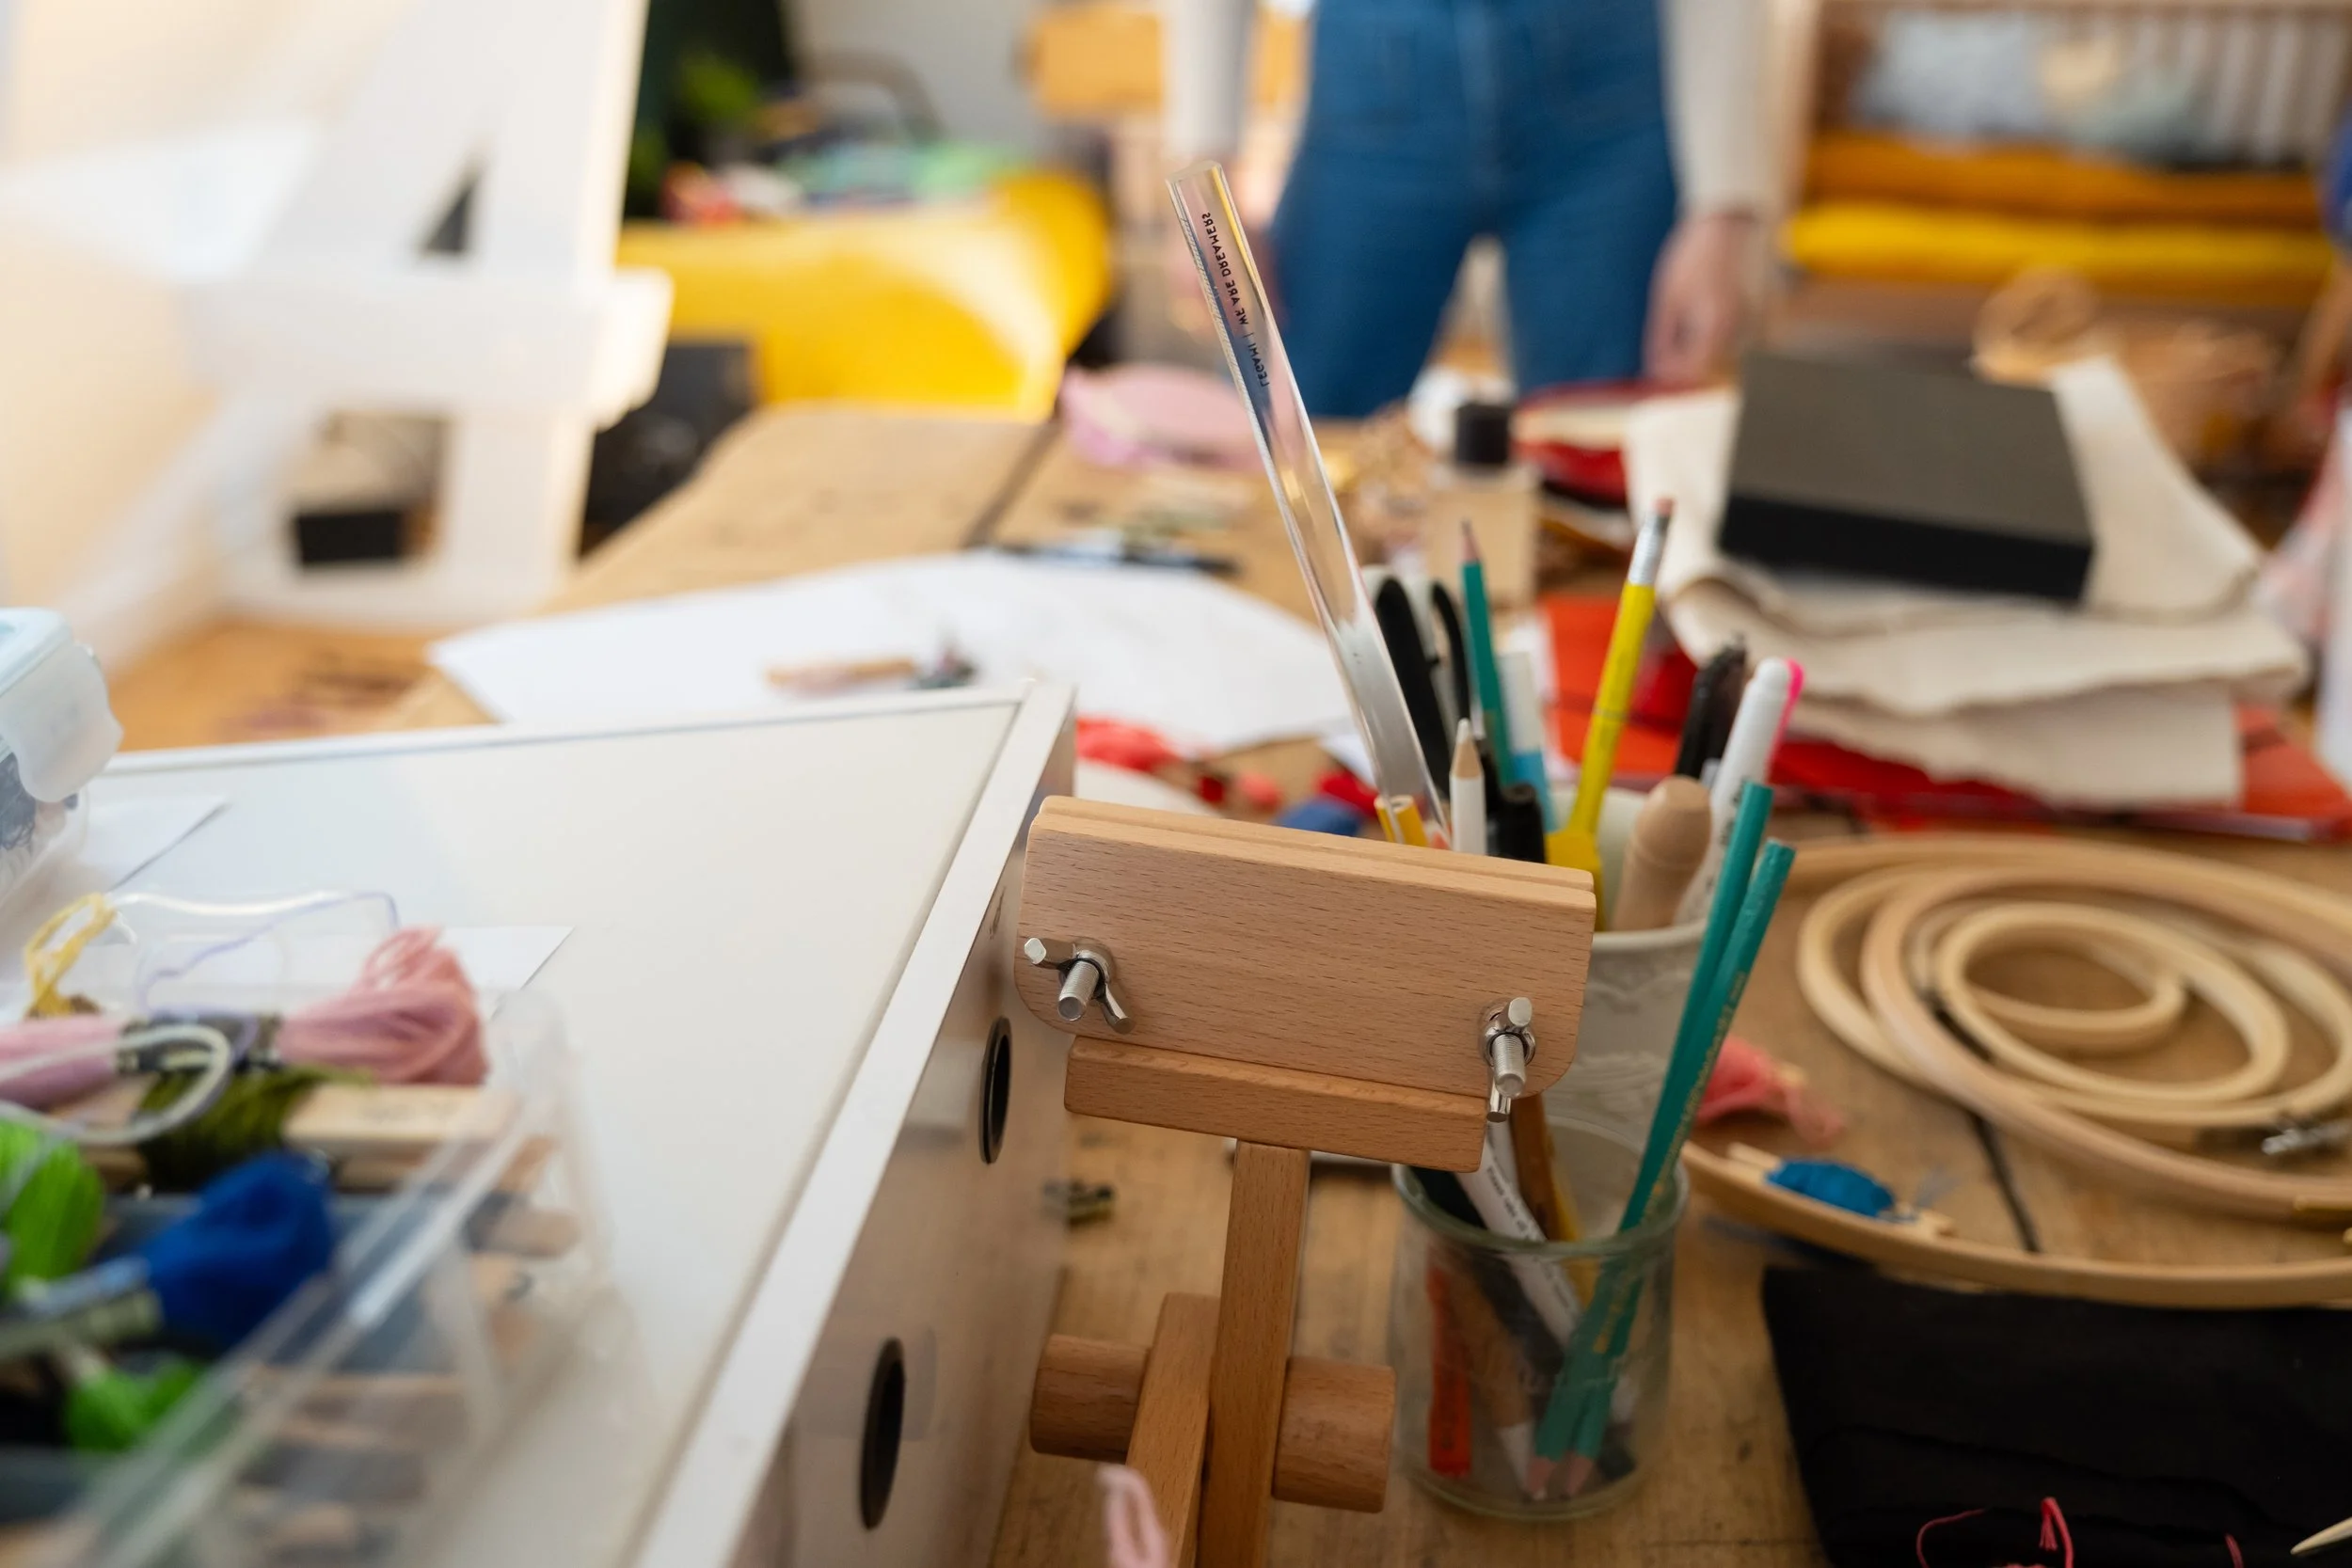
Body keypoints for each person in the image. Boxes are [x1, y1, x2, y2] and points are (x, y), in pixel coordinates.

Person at [1164, 0, 1771, 416]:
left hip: (1607, 86)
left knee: (1610, 454)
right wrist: (1203, 165)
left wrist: (1724, 208)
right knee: (1289, 429)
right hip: (1376, 66)